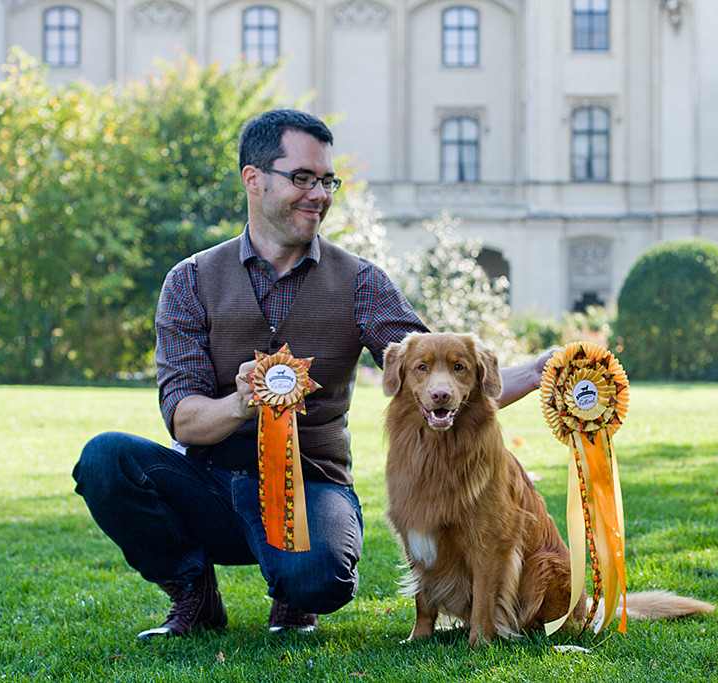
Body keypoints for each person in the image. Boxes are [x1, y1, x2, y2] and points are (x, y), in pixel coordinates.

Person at [73, 109, 554, 640]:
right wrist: (241, 402)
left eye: (327, 181)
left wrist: (534, 372)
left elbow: (438, 383)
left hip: (314, 483)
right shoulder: (189, 281)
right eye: (302, 178)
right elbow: (183, 421)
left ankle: (293, 595)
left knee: (318, 581)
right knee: (105, 459)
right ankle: (193, 593)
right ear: (253, 180)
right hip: (210, 483)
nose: (319, 194)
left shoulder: (361, 282)